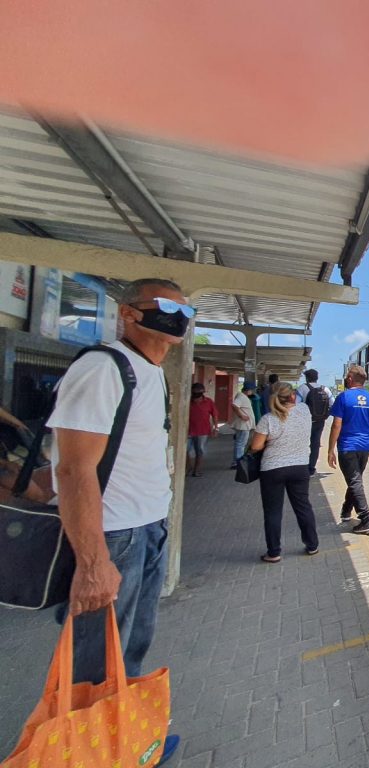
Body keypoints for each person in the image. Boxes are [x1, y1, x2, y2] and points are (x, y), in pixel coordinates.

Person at [47, 278, 191, 764]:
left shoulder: (150, 373)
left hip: (147, 531)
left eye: (184, 312)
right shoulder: (103, 368)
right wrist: (92, 562)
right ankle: (84, 754)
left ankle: (125, 743)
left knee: (127, 652)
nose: (178, 319)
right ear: (128, 313)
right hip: (114, 537)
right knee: (94, 664)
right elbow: (73, 467)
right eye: (167, 307)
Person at [250, 382, 320, 562]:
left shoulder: (268, 419)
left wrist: (272, 442)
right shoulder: (304, 410)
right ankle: (312, 545)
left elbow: (256, 446)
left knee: (273, 512)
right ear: (292, 396)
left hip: (272, 470)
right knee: (303, 507)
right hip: (300, 468)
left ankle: (274, 552)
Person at [327, 364, 369, 535]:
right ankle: (346, 510)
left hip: (348, 447)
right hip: (365, 447)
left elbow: (336, 424)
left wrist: (330, 450)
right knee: (355, 480)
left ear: (350, 379)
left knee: (354, 481)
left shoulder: (343, 397)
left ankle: (366, 519)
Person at [297, 368, 334, 475]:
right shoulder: (325, 389)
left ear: (307, 378)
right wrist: (325, 415)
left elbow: (295, 404)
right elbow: (333, 404)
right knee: (315, 444)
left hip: (305, 421)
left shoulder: (302, 388)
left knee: (302, 443)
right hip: (319, 421)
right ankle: (311, 468)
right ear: (317, 378)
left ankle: (301, 465)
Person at [186, 381, 218, 477]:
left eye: (198, 392)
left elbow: (215, 415)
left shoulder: (208, 402)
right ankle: (188, 468)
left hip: (202, 431)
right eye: (194, 392)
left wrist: (216, 428)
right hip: (188, 430)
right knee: (186, 451)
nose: (196, 395)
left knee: (199, 451)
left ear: (202, 392)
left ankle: (196, 470)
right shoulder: (187, 401)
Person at [229, 380, 256, 469]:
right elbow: (234, 405)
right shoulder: (241, 396)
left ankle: (235, 462)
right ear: (248, 390)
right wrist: (242, 416)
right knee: (241, 444)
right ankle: (238, 463)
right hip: (243, 425)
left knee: (239, 443)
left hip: (244, 425)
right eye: (252, 390)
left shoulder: (243, 396)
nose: (252, 392)